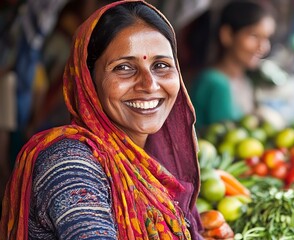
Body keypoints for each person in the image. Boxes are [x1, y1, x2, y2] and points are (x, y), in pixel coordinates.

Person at [0, 1, 234, 239]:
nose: (150, 84)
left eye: (161, 65)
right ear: (88, 81)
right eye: (124, 67)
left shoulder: (150, 163)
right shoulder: (68, 164)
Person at [189, 0, 276, 130]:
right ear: (227, 35)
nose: (263, 47)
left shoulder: (243, 79)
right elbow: (227, 138)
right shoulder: (215, 83)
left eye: (266, 38)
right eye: (254, 36)